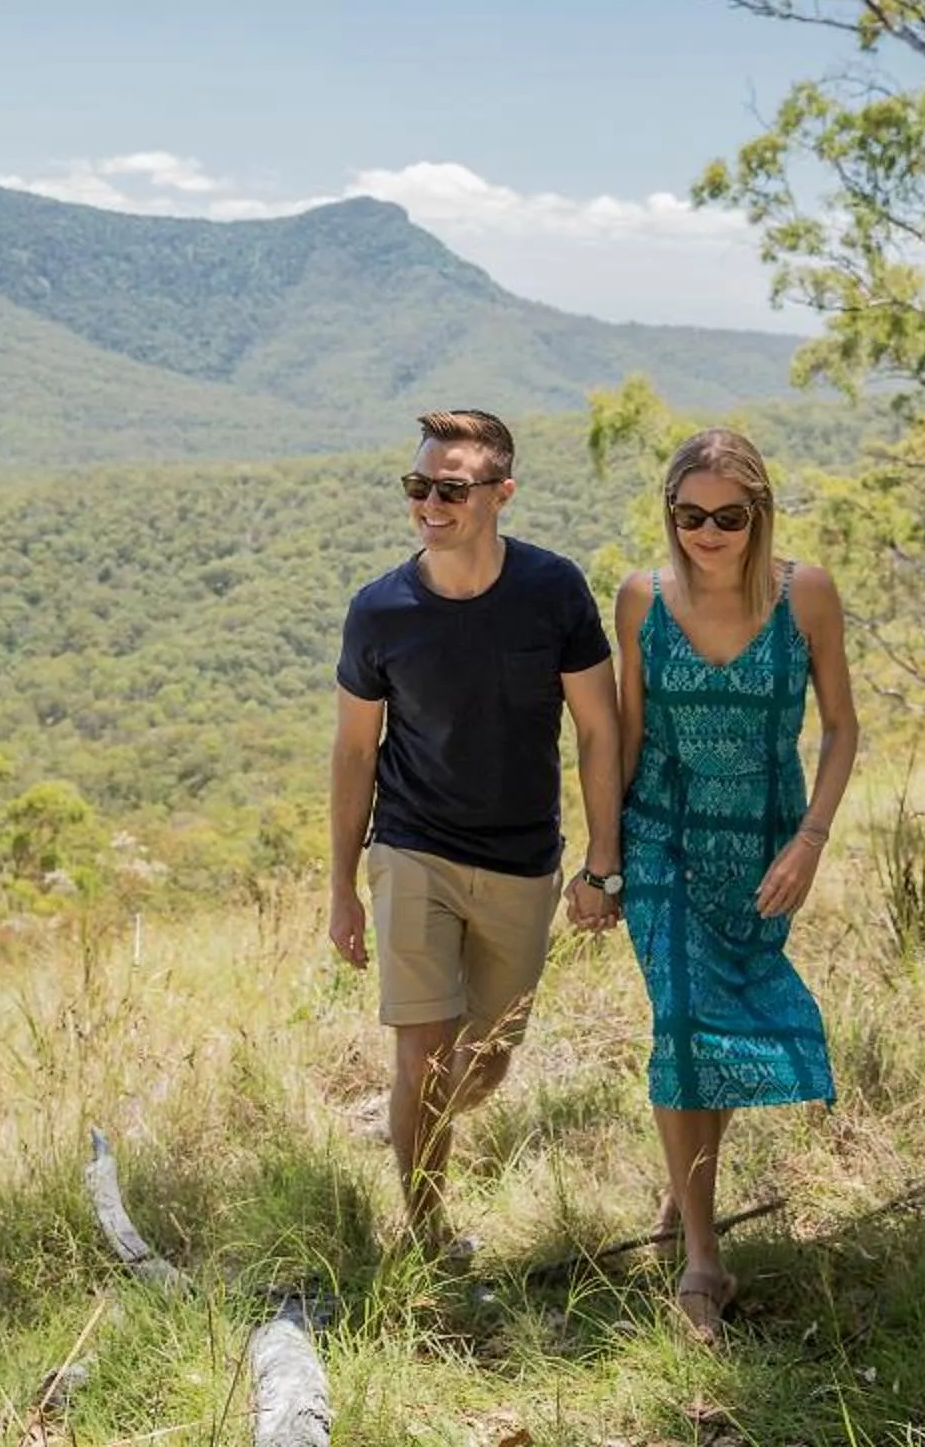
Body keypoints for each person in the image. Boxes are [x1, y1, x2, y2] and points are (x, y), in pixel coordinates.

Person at [328, 409, 624, 1259]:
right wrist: (341, 887)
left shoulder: (553, 591)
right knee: (421, 1054)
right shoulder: (380, 610)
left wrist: (603, 864)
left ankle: (413, 1123)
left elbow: (598, 730)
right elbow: (355, 753)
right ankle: (427, 1238)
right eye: (418, 486)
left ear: (501, 493)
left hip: (523, 862)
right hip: (411, 846)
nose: (429, 503)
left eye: (450, 489)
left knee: (485, 1061)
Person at [601, 427, 858, 1340]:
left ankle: (683, 1193)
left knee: (719, 1024)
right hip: (662, 832)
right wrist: (603, 859)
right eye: (689, 515)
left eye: (728, 517)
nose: (708, 533)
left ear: (759, 514)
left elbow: (840, 729)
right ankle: (704, 1263)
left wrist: (811, 841)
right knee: (679, 1020)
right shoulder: (642, 599)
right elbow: (624, 737)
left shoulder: (807, 594)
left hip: (759, 843)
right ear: (669, 515)